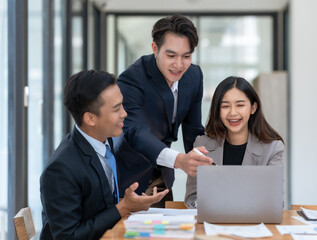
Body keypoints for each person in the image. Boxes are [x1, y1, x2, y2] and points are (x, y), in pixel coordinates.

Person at [40, 70, 169, 240]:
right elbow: (68, 237)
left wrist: (130, 204)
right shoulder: (61, 169)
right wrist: (122, 207)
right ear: (90, 118)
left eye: (122, 105)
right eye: (116, 109)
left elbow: (97, 206)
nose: (124, 113)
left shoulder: (104, 143)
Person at [117, 14, 212, 207]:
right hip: (128, 176)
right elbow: (136, 131)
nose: (179, 65)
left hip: (162, 175)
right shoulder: (131, 79)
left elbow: (193, 131)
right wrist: (179, 160)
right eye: (171, 56)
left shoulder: (193, 76)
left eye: (186, 56)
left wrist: (210, 164)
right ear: (155, 48)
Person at [185, 76, 284, 209]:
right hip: (213, 224)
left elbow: (276, 202)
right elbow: (192, 198)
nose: (232, 113)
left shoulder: (273, 148)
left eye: (240, 105)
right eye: (225, 106)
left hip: (254, 226)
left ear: (253, 108)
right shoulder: (202, 145)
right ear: (217, 110)